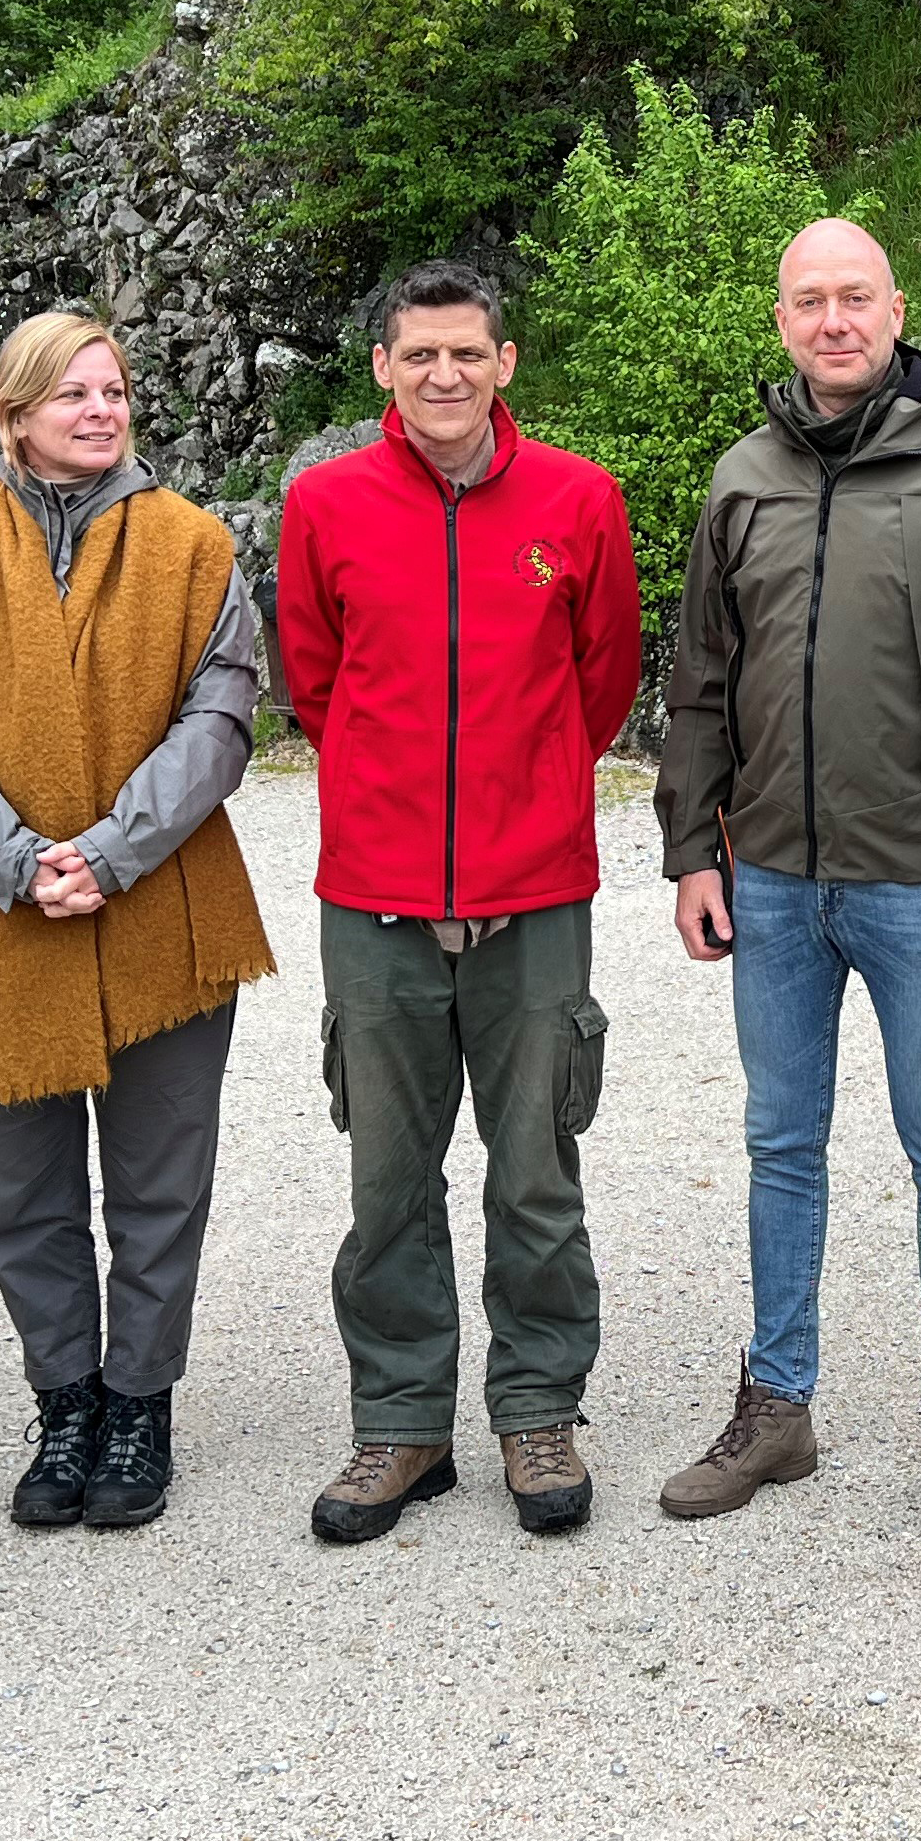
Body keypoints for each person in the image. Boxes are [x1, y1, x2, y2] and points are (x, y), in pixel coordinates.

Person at [655, 219, 921, 1546]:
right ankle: (777, 1406)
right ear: (782, 320)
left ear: (897, 309)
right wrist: (691, 849)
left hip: (920, 881)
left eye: (855, 298)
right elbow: (701, 681)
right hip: (772, 878)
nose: (833, 321)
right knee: (781, 1143)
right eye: (808, 301)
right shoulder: (744, 476)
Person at [0, 312, 274, 1534]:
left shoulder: (195, 547)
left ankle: (139, 1404)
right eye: (72, 394)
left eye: (113, 391)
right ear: (13, 414)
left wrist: (108, 855)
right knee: (19, 1197)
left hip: (163, 910)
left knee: (159, 1187)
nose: (101, 411)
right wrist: (12, 862)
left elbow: (220, 721)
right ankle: (64, 1403)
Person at [275, 262, 642, 1543]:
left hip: (533, 899)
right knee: (388, 1181)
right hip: (374, 902)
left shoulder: (578, 500)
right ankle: (401, 1423)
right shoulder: (324, 504)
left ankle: (536, 1409)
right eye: (420, 354)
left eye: (467, 354)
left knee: (535, 1173)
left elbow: (603, 683)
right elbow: (315, 686)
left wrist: (525, 796)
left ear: (505, 363)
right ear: (382, 366)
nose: (445, 375)